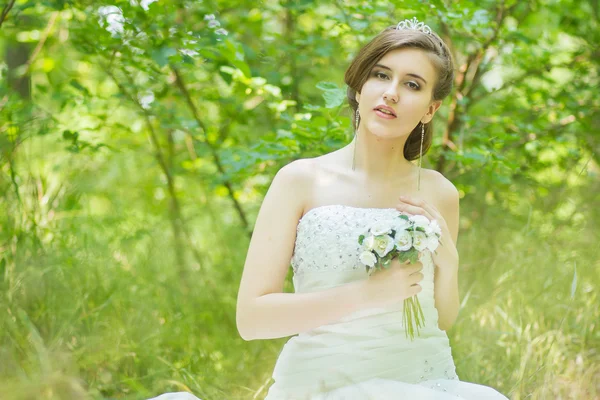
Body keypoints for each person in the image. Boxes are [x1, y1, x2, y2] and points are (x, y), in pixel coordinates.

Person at [148, 17, 509, 400]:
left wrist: (449, 267)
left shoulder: (440, 192)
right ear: (359, 87)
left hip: (421, 381)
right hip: (321, 385)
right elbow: (251, 319)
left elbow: (441, 319)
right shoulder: (300, 180)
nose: (391, 93)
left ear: (430, 110)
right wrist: (368, 295)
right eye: (380, 75)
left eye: (412, 85)